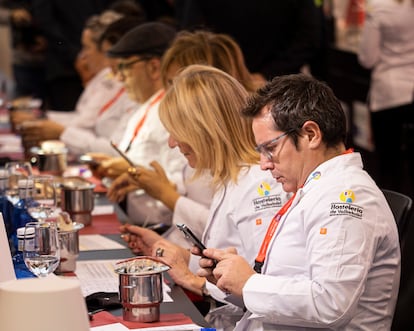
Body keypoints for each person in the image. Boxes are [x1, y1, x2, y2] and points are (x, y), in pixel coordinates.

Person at [194, 73, 401, 330]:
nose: (264, 164)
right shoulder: (315, 189)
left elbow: (331, 303)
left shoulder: (346, 195)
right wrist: (230, 280)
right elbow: (285, 295)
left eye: (270, 148)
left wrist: (249, 283)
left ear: (311, 134)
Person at [120, 65, 290, 330]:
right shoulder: (232, 179)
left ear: (204, 130)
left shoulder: (260, 186)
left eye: (177, 132)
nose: (172, 143)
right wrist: (177, 256)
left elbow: (268, 291)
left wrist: (194, 281)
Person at [107, 29, 261, 242]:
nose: (169, 92)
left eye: (175, 83)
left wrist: (166, 194)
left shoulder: (256, 177)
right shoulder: (217, 158)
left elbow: (226, 240)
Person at [92, 22, 186, 226]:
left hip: (163, 227)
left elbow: (186, 183)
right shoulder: (145, 107)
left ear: (153, 67)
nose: (119, 77)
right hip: (135, 218)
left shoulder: (172, 113)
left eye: (124, 67)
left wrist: (135, 173)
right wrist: (121, 168)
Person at [17, 10, 135, 156]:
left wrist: (60, 132)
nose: (82, 56)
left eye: (87, 47)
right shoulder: (107, 78)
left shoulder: (131, 91)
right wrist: (42, 119)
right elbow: (82, 120)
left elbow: (117, 150)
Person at [358, 0, 414, 199]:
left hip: (389, 95)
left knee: (389, 165)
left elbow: (367, 58)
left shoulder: (379, 7)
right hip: (410, 92)